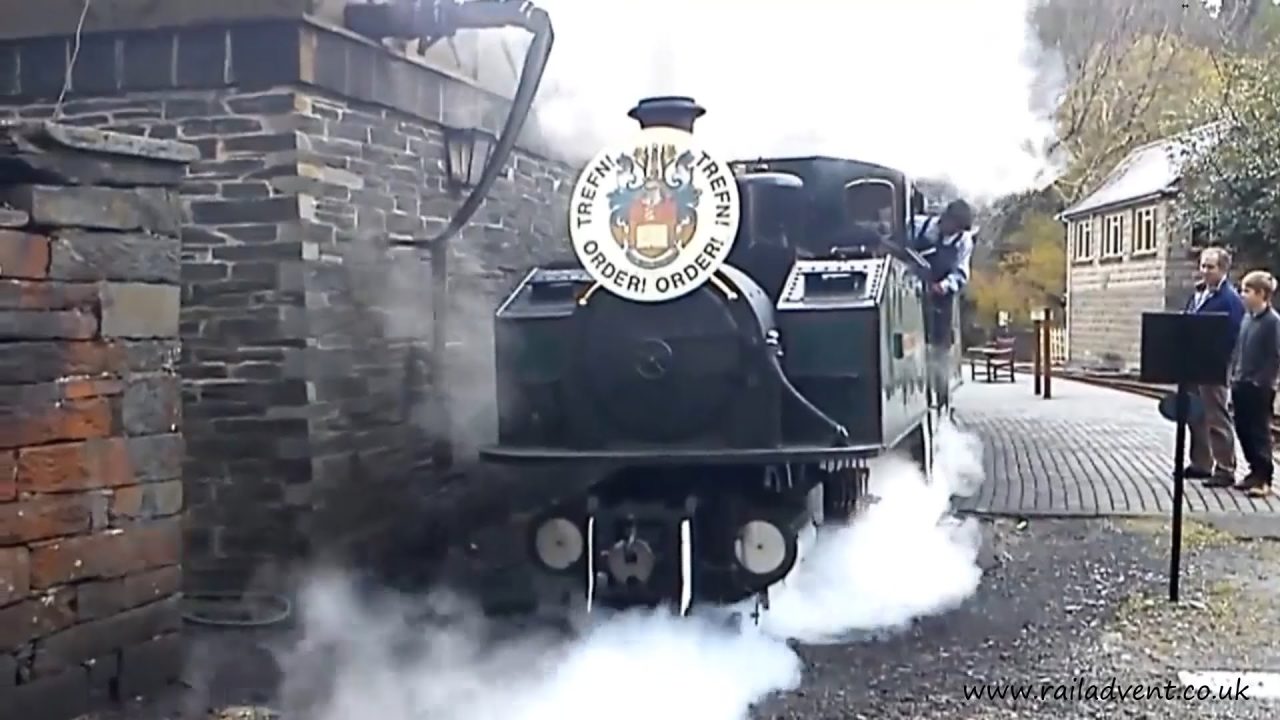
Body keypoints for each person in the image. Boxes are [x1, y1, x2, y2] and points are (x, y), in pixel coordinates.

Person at [1183, 246, 1245, 487]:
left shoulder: (1230, 300)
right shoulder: (1199, 294)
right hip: (1192, 364)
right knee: (1195, 416)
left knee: (1216, 417)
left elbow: (1232, 334)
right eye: (1202, 266)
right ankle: (1201, 463)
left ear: (1223, 269)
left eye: (1210, 267)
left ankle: (1225, 467)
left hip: (1213, 366)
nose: (1205, 271)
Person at [911, 199, 975, 408]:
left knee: (939, 351)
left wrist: (944, 286)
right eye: (953, 226)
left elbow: (961, 272)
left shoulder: (963, 241)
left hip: (940, 301)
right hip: (911, 295)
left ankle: (941, 401)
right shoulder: (918, 226)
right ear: (945, 218)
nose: (954, 231)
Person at [1230, 270, 1280, 497]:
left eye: (1247, 291)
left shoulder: (1273, 322)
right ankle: (1253, 470)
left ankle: (1264, 477)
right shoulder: (1247, 318)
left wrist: (1263, 381)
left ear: (1261, 294)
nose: (1242, 295)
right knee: (1242, 428)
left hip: (1259, 387)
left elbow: (1275, 356)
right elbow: (1240, 348)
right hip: (1241, 382)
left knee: (1259, 431)